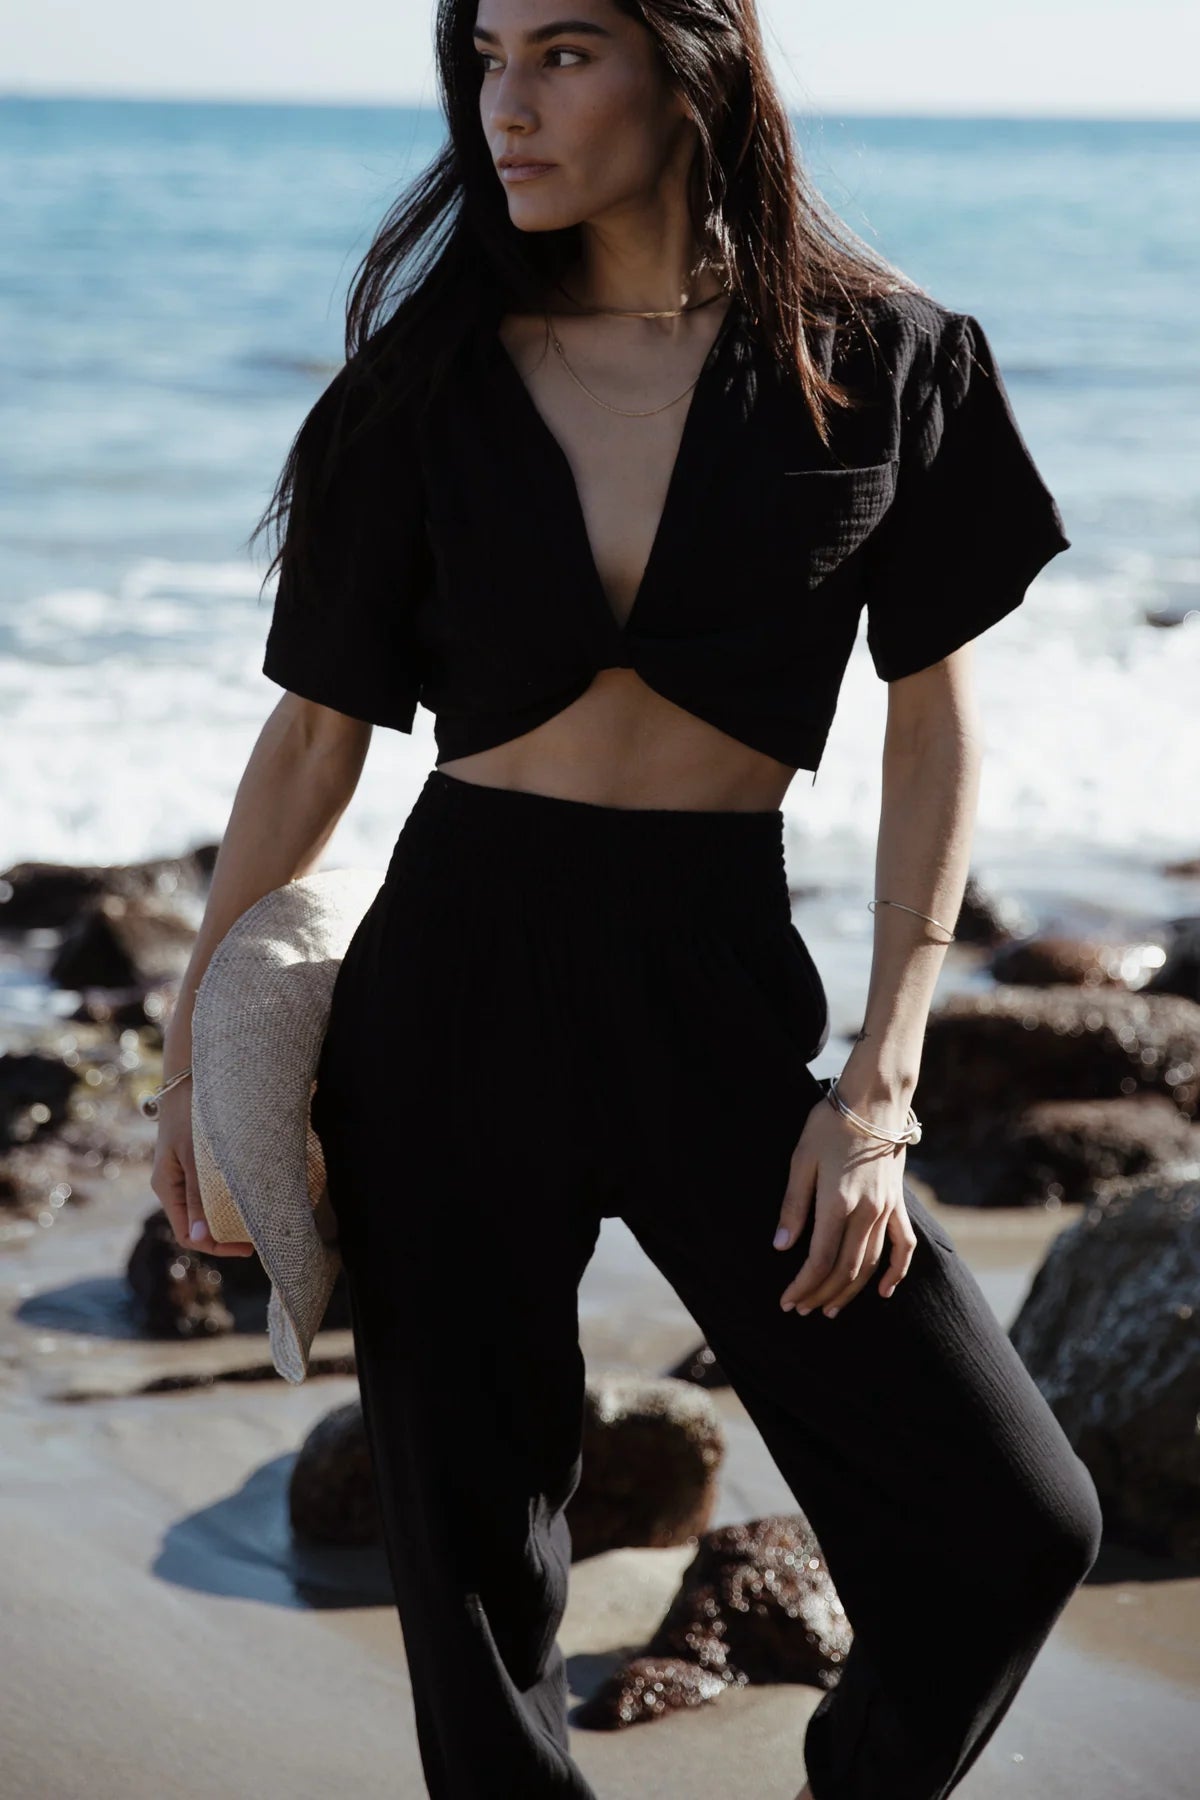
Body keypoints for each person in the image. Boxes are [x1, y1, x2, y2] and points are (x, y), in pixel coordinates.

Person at [151, 3, 1103, 1796]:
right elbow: (310, 742)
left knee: (1008, 1519)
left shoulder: (886, 360)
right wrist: (200, 1040)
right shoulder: (419, 388)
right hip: (449, 988)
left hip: (719, 988)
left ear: (696, 66)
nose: (507, 102)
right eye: (487, 55)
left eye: (566, 51)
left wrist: (882, 1086)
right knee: (477, 1581)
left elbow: (936, 728)